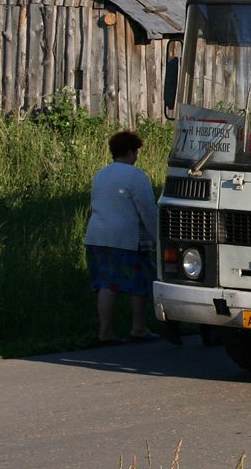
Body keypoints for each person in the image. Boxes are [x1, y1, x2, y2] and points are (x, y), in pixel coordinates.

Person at [83, 130, 160, 345]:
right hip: (126, 240)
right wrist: (157, 239)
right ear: (130, 152)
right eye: (135, 152)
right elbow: (147, 210)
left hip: (97, 236)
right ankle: (138, 328)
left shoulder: (101, 173)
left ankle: (104, 332)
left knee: (107, 284)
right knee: (141, 283)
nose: (136, 156)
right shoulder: (135, 175)